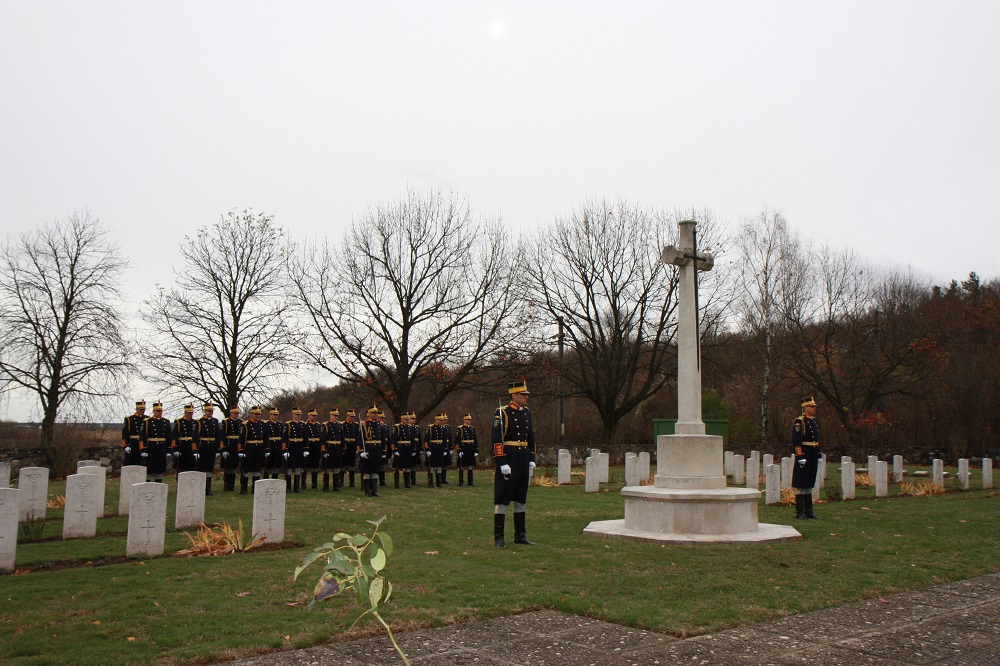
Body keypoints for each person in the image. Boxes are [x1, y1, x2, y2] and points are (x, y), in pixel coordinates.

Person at [492, 380, 537, 548]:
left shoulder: (527, 413)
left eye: (526, 395)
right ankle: (499, 537)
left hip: (523, 458)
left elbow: (531, 437)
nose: (526, 397)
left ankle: (520, 535)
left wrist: (531, 458)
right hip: (508, 459)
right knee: (502, 498)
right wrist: (501, 462)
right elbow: (496, 440)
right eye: (523, 395)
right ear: (514, 395)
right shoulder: (502, 413)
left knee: (520, 497)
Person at [792, 395, 822, 520]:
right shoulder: (800, 422)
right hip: (805, 454)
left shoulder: (813, 421)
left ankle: (809, 510)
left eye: (815, 406)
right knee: (801, 483)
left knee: (809, 482)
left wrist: (818, 454)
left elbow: (816, 440)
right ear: (805, 407)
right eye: (812, 406)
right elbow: (796, 440)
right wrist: (800, 456)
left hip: (813, 454)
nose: (815, 408)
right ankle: (800, 512)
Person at [359, 405, 387, 497]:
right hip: (368, 449)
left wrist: (384, 451)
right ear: (369, 414)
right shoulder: (364, 424)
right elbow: (360, 439)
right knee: (367, 471)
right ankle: (367, 491)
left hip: (377, 450)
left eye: (376, 413)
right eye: (374, 413)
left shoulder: (380, 425)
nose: (376, 414)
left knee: (375, 471)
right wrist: (360, 451)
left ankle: (374, 490)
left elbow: (383, 439)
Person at [140, 401, 171, 483]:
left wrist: (168, 450)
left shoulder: (166, 422)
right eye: (157, 411)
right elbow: (142, 437)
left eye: (160, 411)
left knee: (159, 469)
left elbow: (169, 437)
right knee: (149, 468)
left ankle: (159, 485)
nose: (159, 413)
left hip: (161, 448)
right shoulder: (147, 422)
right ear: (153, 411)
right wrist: (143, 449)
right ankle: (147, 485)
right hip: (151, 447)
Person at [240, 406, 267, 494]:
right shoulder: (245, 424)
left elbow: (266, 438)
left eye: (259, 414)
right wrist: (240, 450)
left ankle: (255, 489)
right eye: (256, 414)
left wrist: (267, 449)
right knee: (247, 468)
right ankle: (244, 488)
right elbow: (241, 439)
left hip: (259, 448)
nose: (257, 416)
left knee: (257, 468)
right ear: (252, 414)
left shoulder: (262, 424)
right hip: (249, 448)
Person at [197, 402, 221, 495]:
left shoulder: (215, 421)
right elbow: (196, 436)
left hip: (212, 446)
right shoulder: (199, 421)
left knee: (209, 467)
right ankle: (201, 488)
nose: (210, 413)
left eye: (211, 411)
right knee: (202, 467)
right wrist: (195, 449)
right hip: (203, 446)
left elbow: (218, 436)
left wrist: (218, 449)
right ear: (205, 411)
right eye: (209, 411)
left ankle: (208, 489)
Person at [220, 406, 244, 492]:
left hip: (236, 445)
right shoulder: (226, 422)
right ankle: (227, 484)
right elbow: (222, 436)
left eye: (237, 413)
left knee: (234, 465)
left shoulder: (241, 422)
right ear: (231, 413)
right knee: (228, 465)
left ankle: (232, 485)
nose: (236, 415)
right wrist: (223, 449)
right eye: (235, 413)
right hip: (229, 444)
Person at [171, 403, 200, 473]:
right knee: (182, 466)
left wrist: (196, 449)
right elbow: (174, 436)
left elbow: (196, 437)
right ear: (185, 412)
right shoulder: (178, 422)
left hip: (191, 446)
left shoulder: (195, 422)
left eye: (192, 413)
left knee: (191, 466)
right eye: (189, 413)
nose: (191, 414)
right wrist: (175, 449)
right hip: (182, 446)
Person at [284, 407, 307, 493]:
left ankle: (296, 487)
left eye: (299, 415)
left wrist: (305, 449)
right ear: (293, 414)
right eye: (296, 414)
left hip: (299, 447)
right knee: (289, 467)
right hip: (291, 447)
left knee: (298, 467)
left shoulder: (302, 424)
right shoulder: (288, 425)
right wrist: (285, 450)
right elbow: (285, 438)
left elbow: (305, 437)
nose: (298, 416)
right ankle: (288, 487)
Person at [424, 413, 449, 487]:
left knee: (439, 465)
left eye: (442, 420)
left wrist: (445, 449)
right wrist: (427, 449)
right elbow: (426, 440)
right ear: (436, 420)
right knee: (431, 465)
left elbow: (444, 440)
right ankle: (430, 482)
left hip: (440, 448)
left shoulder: (443, 428)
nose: (442, 421)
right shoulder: (430, 428)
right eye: (440, 420)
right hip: (433, 448)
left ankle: (439, 482)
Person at [454, 413, 479, 487]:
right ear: (464, 420)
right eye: (468, 419)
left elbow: (475, 439)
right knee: (462, 465)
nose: (469, 421)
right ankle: (461, 481)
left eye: (470, 419)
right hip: (464, 448)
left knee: (470, 464)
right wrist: (458, 450)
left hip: (471, 447)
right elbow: (457, 440)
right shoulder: (460, 428)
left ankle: (470, 481)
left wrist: (476, 450)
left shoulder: (472, 428)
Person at [322, 408, 343, 492]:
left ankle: (336, 486)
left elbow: (342, 437)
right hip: (329, 447)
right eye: (335, 416)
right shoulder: (326, 425)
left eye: (337, 416)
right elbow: (323, 439)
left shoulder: (339, 425)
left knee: (336, 467)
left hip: (337, 447)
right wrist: (324, 450)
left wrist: (343, 448)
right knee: (327, 468)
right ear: (331, 416)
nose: (336, 417)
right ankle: (326, 486)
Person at [121, 400, 146, 466]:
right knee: (131, 462)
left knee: (142, 463)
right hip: (133, 443)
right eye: (141, 409)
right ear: (137, 409)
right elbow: (125, 434)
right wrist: (125, 445)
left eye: (144, 409)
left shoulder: (147, 419)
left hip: (143, 444)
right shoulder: (129, 419)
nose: (142, 411)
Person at [263, 407, 286, 480]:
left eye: (277, 415)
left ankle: (275, 478)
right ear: (270, 415)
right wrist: (266, 448)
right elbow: (265, 436)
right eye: (274, 414)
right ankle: (266, 478)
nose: (275, 416)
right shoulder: (266, 424)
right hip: (270, 444)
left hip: (278, 445)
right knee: (269, 463)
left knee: (278, 462)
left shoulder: (280, 424)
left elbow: (283, 436)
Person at [304, 408, 323, 490]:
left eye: (315, 416)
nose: (314, 417)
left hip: (316, 446)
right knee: (306, 465)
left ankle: (314, 483)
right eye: (313, 415)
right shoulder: (305, 425)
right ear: (309, 416)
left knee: (315, 465)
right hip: (309, 445)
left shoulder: (318, 425)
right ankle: (303, 483)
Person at [341, 409, 359, 489]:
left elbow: (358, 437)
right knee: (343, 465)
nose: (352, 418)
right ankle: (341, 482)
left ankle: (352, 482)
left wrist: (357, 447)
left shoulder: (356, 425)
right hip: (345, 445)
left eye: (353, 417)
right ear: (347, 416)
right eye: (351, 416)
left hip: (353, 445)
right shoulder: (343, 425)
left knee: (352, 465)